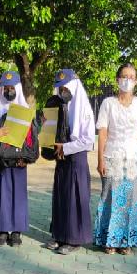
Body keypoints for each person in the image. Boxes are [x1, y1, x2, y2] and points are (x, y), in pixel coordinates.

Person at [94, 63, 137, 255]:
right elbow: (102, 133)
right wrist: (100, 160)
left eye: (131, 77)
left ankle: (126, 240)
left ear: (136, 81)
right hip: (112, 156)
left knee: (130, 199)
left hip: (133, 157)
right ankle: (109, 240)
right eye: (124, 76)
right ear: (117, 80)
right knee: (109, 197)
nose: (127, 80)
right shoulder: (108, 103)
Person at [46, 69, 95, 255]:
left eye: (66, 88)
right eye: (60, 89)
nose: (63, 92)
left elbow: (88, 140)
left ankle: (73, 239)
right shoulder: (59, 106)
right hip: (61, 157)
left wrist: (65, 147)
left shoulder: (84, 108)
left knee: (74, 198)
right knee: (61, 196)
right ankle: (59, 235)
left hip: (76, 158)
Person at [0, 70, 30, 247]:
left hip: (19, 158)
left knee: (18, 194)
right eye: (5, 88)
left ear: (18, 88)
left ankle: (17, 232)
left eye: (12, 87)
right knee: (1, 193)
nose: (8, 91)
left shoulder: (25, 109)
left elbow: (30, 137)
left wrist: (26, 157)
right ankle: (3, 231)